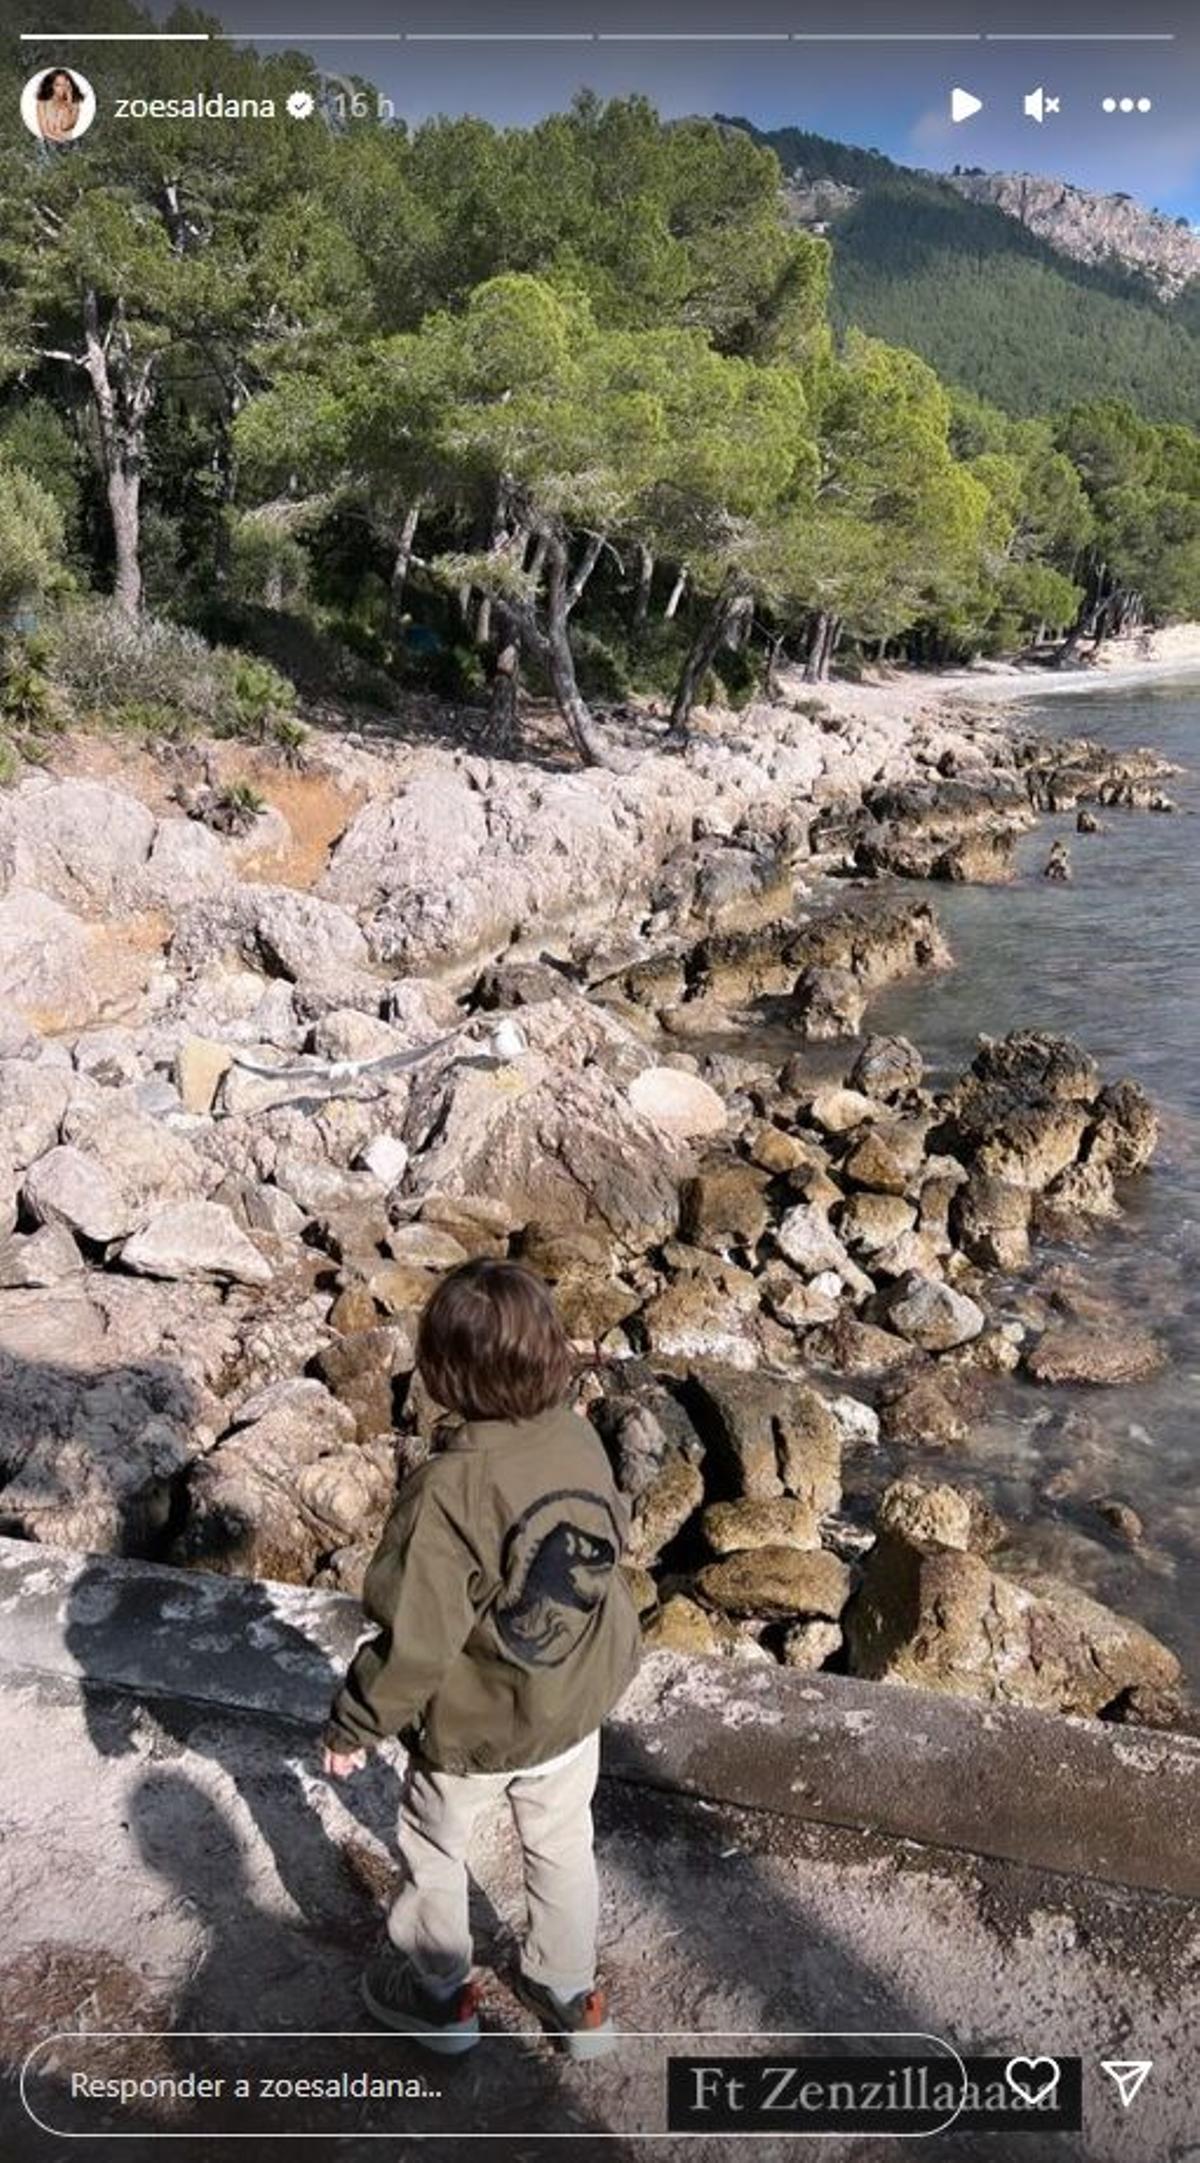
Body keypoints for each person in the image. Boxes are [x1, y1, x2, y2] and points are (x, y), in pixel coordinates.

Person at [322, 1258, 642, 2060]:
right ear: (554, 1353)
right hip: (570, 1707)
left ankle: (439, 1996)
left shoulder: (448, 1488)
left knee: (435, 1848)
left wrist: (357, 1720)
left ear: (441, 1375)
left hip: (474, 1726)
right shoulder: (577, 1435)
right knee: (562, 1844)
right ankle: (571, 1990)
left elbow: (417, 1638)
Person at [35, 69, 84, 142]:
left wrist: (69, 99)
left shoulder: (74, 104)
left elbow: (66, 125)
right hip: (51, 143)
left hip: (68, 143)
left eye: (65, 85)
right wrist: (61, 141)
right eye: (58, 85)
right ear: (51, 86)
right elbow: (45, 132)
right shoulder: (42, 104)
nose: (62, 88)